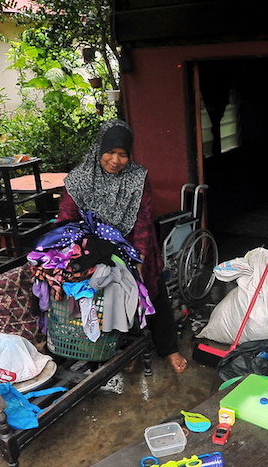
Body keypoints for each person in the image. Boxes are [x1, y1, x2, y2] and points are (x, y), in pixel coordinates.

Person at [56, 119, 188, 373]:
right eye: (110, 152)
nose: (115, 160)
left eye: (122, 155)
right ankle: (128, 352)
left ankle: (169, 348)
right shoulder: (79, 178)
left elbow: (143, 220)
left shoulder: (138, 178)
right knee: (106, 299)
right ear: (99, 150)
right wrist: (71, 250)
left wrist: (137, 256)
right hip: (93, 246)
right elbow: (66, 217)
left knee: (151, 291)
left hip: (134, 245)